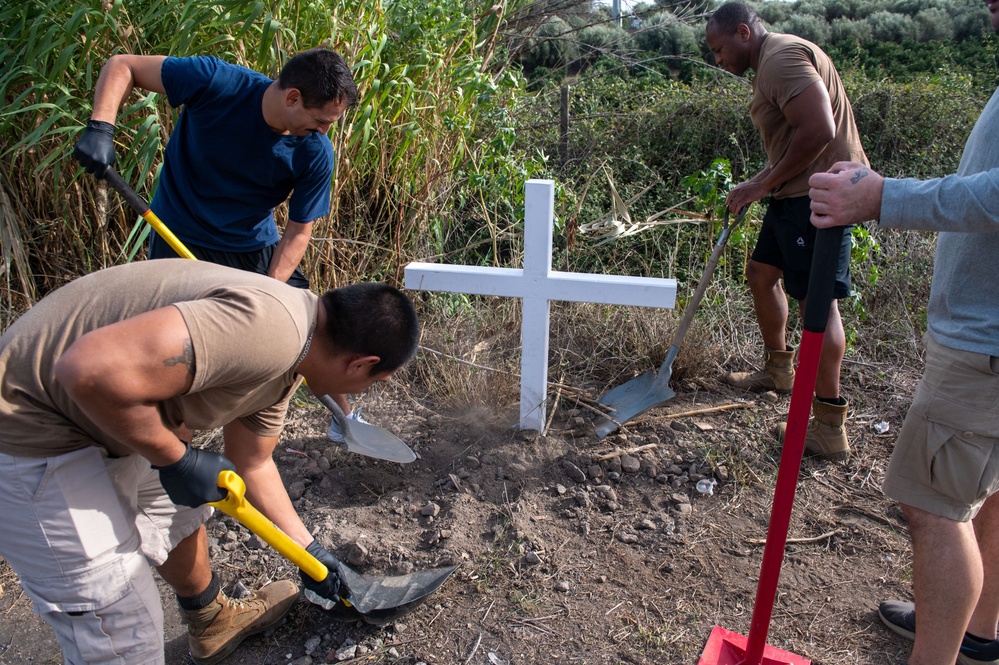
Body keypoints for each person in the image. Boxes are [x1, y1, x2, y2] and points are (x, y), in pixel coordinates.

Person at [0, 260, 420, 665]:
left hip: (101, 415)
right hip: (31, 428)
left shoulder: (297, 355)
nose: (364, 393)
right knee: (120, 627)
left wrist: (310, 553)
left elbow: (252, 462)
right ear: (362, 363)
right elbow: (86, 370)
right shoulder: (271, 332)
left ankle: (210, 619)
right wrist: (175, 459)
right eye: (374, 383)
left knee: (179, 513)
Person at [808, 2, 999, 661]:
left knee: (933, 508)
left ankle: (941, 647)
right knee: (989, 486)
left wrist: (881, 197)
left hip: (984, 346)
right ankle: (975, 631)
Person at [705, 2, 869, 460]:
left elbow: (819, 128)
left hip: (818, 198)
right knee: (760, 273)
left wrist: (761, 184)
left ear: (742, 32)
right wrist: (759, 184)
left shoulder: (778, 58)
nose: (718, 60)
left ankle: (828, 425)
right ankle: (779, 371)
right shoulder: (774, 60)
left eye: (719, 49)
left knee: (817, 307)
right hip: (792, 194)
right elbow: (792, 137)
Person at [73, 48, 359, 290]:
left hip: (249, 249)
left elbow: (298, 230)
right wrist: (100, 128)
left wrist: (269, 291)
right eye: (322, 120)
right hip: (176, 236)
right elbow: (124, 66)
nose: (323, 132)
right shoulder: (216, 82)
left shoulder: (315, 152)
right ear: (293, 98)